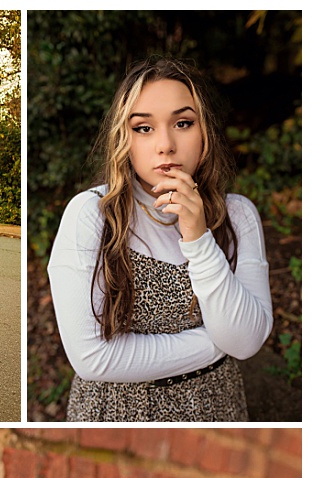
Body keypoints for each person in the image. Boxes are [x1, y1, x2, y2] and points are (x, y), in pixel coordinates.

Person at [47, 58, 272, 422]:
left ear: (205, 133)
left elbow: (246, 342)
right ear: (125, 138)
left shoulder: (239, 216)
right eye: (144, 128)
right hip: (119, 415)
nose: (166, 145)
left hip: (218, 409)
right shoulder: (92, 215)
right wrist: (215, 343)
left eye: (183, 123)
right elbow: (92, 358)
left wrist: (198, 238)